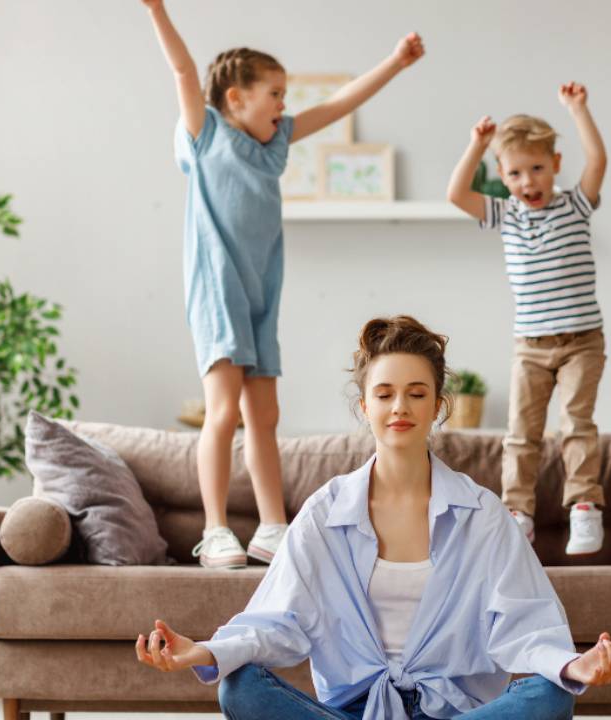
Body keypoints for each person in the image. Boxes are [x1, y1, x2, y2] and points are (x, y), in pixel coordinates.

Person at [135, 316, 611, 718]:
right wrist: (202, 652)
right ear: (365, 405)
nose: (401, 407)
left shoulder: (482, 514)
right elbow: (278, 621)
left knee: (551, 696)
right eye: (385, 393)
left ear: (439, 406)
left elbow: (523, 623)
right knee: (239, 686)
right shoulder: (325, 512)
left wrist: (573, 664)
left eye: (417, 393)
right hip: (351, 712)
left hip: (455, 713)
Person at [142, 0, 425, 567]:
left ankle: (272, 526)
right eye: (274, 92)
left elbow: (339, 104)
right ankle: (216, 528)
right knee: (222, 412)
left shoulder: (273, 144)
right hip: (218, 290)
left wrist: (395, 62)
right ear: (236, 98)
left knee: (264, 417)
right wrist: (156, 9)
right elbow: (182, 71)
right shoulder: (207, 134)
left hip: (261, 295)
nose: (283, 103)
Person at [445, 83, 610, 554]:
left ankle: (583, 506)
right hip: (530, 347)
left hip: (582, 341)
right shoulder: (505, 214)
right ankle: (518, 512)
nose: (528, 182)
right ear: (501, 174)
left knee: (576, 423)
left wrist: (578, 110)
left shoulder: (575, 205)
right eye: (516, 173)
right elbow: (457, 193)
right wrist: (477, 143)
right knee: (521, 433)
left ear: (555, 165)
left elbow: (597, 161)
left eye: (537, 169)